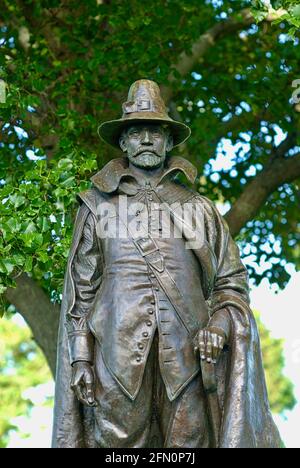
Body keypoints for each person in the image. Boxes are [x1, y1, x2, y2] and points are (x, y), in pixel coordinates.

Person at [52, 79, 281, 448]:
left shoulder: (199, 210)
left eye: (155, 132)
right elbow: (81, 290)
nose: (146, 140)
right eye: (136, 132)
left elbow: (231, 283)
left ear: (169, 141)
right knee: (116, 447)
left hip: (188, 359)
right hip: (114, 358)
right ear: (123, 142)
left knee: (189, 446)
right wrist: (80, 359)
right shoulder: (97, 206)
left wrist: (220, 328)